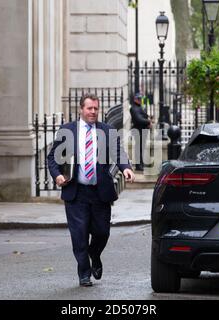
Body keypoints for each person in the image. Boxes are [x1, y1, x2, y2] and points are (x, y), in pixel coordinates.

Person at [47, 93, 135, 288]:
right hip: (76, 192)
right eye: (89, 108)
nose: (93, 112)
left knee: (102, 233)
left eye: (96, 108)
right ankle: (84, 273)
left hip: (100, 192)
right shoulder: (67, 130)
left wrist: (126, 168)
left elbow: (118, 152)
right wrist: (57, 176)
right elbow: (52, 158)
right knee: (79, 235)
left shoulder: (107, 130)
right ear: (81, 109)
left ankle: (95, 255)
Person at [130, 93, 152, 171]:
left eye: (140, 99)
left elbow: (142, 116)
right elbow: (138, 119)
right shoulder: (134, 108)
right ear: (135, 99)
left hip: (142, 129)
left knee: (141, 148)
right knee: (138, 148)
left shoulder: (138, 107)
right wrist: (148, 121)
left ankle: (140, 164)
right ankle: (138, 165)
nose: (140, 100)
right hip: (138, 130)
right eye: (138, 99)